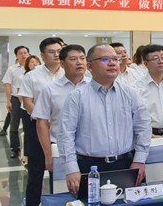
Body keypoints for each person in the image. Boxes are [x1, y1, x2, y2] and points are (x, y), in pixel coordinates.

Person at [59, 44, 151, 196]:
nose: (112, 63)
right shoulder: (77, 96)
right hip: (89, 167)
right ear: (90, 66)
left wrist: (140, 160)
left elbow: (143, 127)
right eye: (105, 59)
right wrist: (71, 169)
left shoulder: (131, 94)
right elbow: (66, 134)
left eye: (115, 59)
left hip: (126, 165)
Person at [18, 38, 64, 206]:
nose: (57, 54)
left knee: (61, 173)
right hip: (37, 128)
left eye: (59, 51)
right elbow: (27, 101)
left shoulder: (69, 74)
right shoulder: (32, 76)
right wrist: (42, 117)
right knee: (36, 173)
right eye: (52, 52)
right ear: (43, 55)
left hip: (63, 129)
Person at [31, 45, 89, 193]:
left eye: (82, 58)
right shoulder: (50, 90)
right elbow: (42, 122)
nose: (79, 62)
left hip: (90, 151)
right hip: (60, 150)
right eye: (73, 59)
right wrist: (48, 155)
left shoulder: (94, 87)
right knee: (63, 194)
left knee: (90, 194)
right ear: (62, 63)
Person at [0, 46, 29, 160]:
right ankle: (15, 149)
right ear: (16, 55)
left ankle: (28, 149)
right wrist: (8, 100)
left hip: (29, 100)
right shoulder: (12, 69)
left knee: (29, 125)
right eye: (21, 53)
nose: (24, 55)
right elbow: (7, 84)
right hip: (16, 100)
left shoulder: (34, 68)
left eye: (25, 53)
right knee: (14, 125)